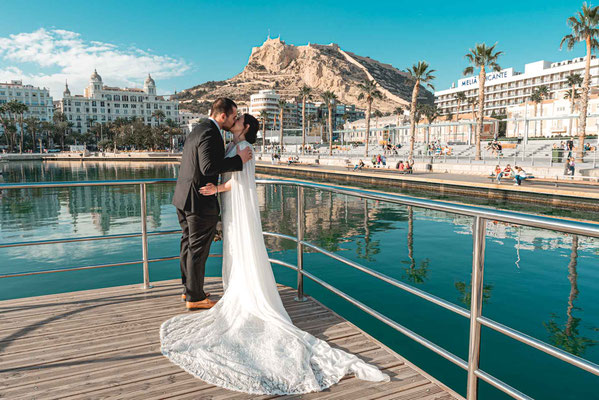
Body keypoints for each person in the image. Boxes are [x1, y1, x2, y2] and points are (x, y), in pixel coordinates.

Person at [161, 113, 389, 394]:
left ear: (245, 127)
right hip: (231, 208)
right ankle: (232, 288)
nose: (233, 121)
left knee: (238, 248)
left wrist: (217, 187)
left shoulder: (244, 148)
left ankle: (242, 292)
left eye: (238, 119)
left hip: (236, 206)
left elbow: (242, 183)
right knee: (233, 250)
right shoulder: (233, 148)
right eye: (232, 117)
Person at [171, 98, 253, 310]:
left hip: (184, 197)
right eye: (234, 116)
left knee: (188, 245)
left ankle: (189, 289)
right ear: (223, 116)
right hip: (198, 201)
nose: (234, 120)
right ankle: (195, 297)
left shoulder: (199, 128)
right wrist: (239, 160)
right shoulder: (210, 132)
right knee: (197, 249)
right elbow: (208, 167)